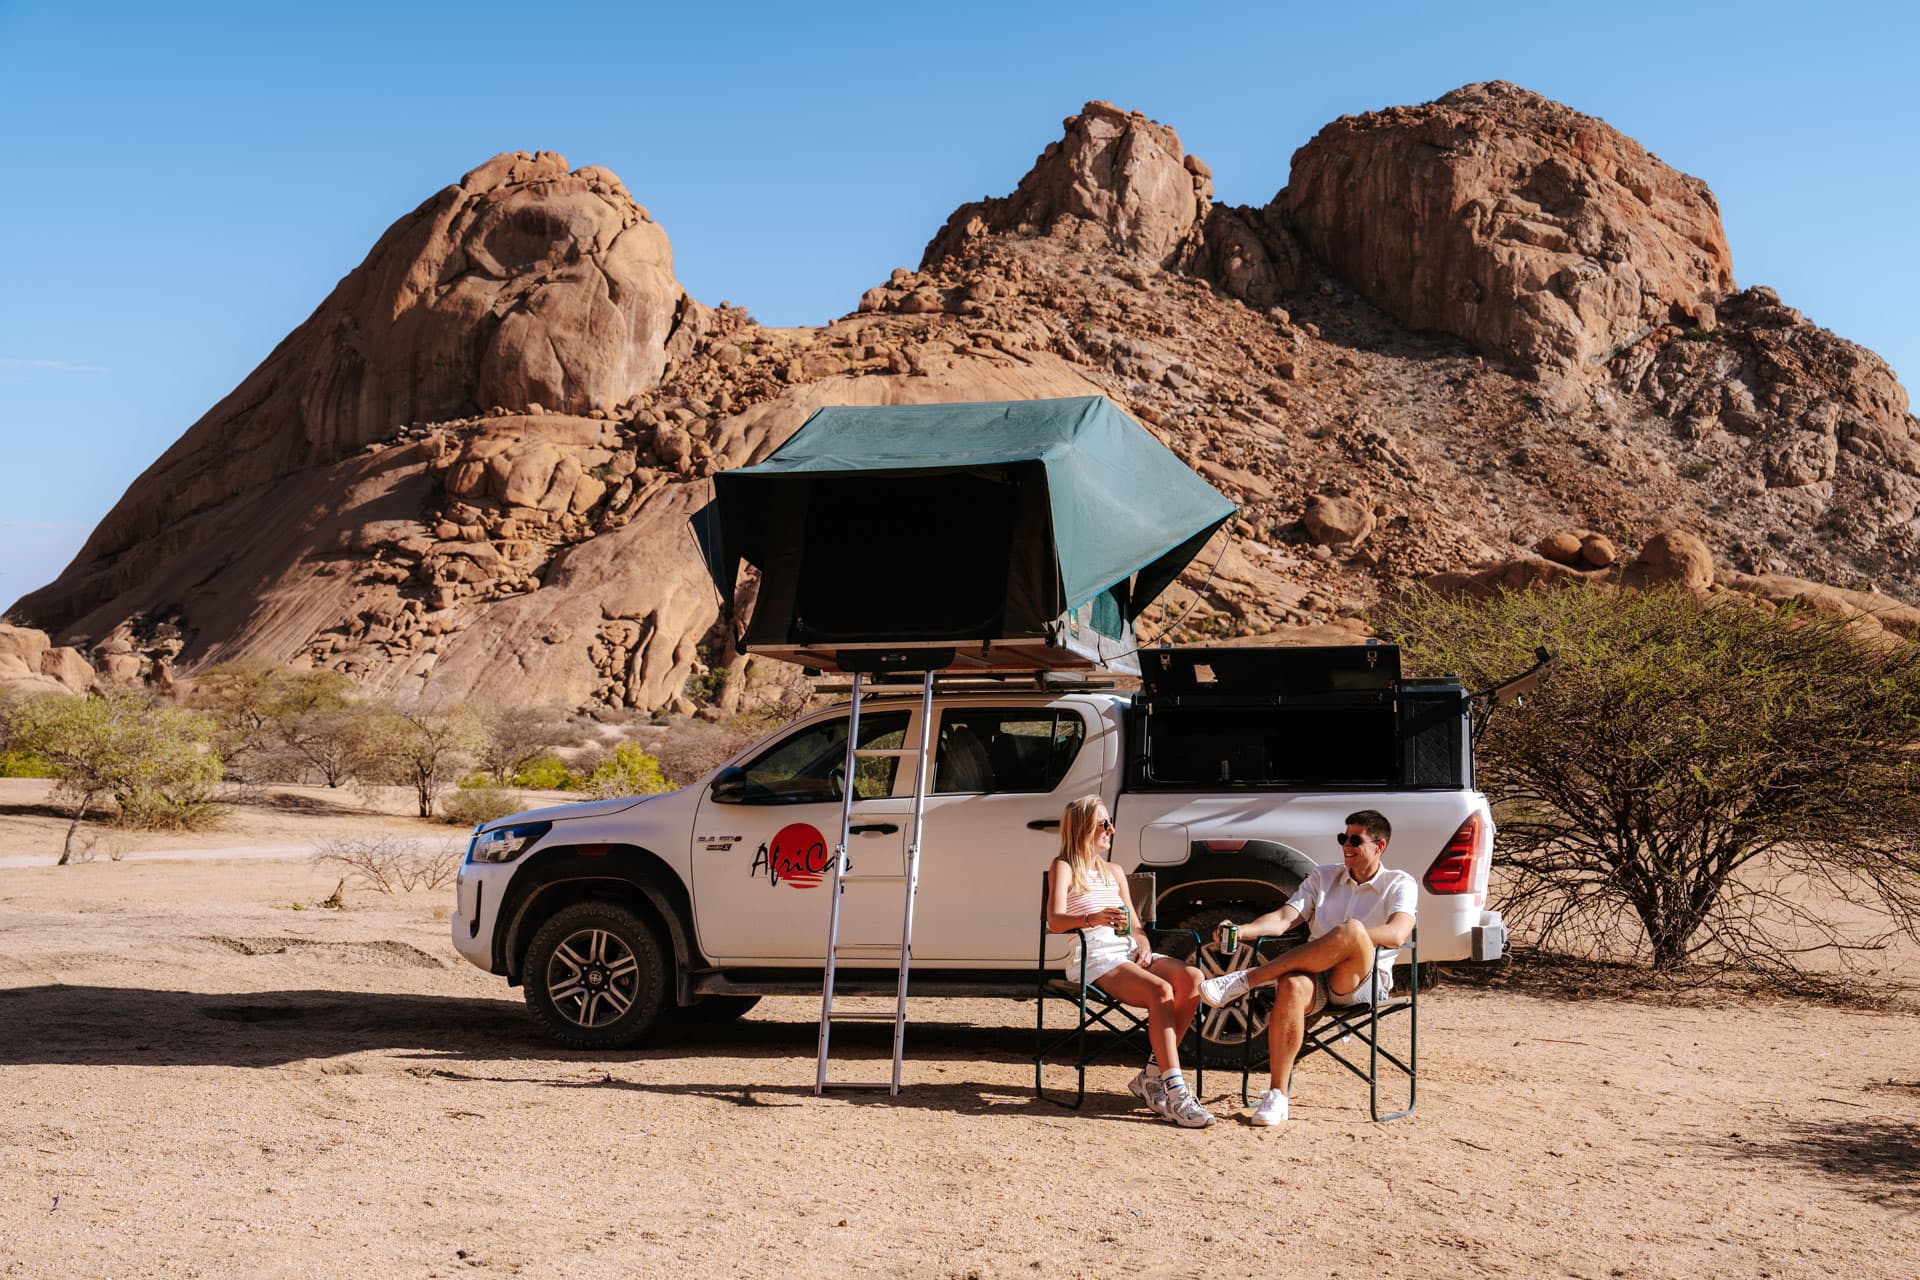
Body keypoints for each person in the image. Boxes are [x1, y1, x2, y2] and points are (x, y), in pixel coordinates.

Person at [1197, 809, 1415, 1126]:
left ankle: (1245, 979)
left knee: (1352, 930)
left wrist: (1348, 939)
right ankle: (1277, 1095)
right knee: (1292, 985)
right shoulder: (1323, 877)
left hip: (1360, 980)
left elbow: (1397, 934)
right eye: (1344, 838)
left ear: (1379, 846)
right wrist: (1244, 929)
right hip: (1317, 977)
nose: (1347, 846)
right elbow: (1284, 919)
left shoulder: (1399, 883)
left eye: (1356, 839)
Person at [1047, 794, 1214, 1128]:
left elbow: (1135, 925)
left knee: (1194, 978)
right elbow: (1054, 920)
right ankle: (1176, 1091)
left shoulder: (1115, 871)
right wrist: (1092, 918)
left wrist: (1142, 942)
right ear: (1082, 829)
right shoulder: (1063, 866)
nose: (1112, 829)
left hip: (1126, 950)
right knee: (1161, 991)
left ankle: (1153, 1075)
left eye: (1110, 823)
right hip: (1094, 953)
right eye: (1103, 824)